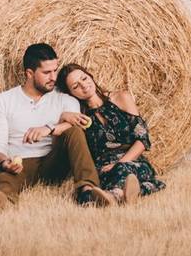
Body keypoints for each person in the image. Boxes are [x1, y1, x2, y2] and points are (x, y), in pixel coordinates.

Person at [0, 43, 116, 210]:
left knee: (74, 130)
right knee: (4, 177)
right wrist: (5, 162)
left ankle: (88, 192)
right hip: (20, 163)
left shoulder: (66, 99)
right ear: (29, 73)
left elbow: (79, 127)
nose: (53, 77)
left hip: (55, 161)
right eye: (46, 72)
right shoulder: (4, 101)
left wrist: (49, 127)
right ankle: (3, 203)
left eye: (55, 70)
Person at [55, 63, 165, 205]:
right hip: (103, 168)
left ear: (91, 76)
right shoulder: (80, 116)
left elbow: (142, 139)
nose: (83, 85)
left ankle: (114, 196)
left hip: (133, 161)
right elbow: (60, 135)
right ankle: (131, 193)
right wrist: (64, 115)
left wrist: (120, 163)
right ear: (71, 94)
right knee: (94, 185)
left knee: (125, 170)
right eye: (75, 86)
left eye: (84, 78)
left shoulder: (121, 98)